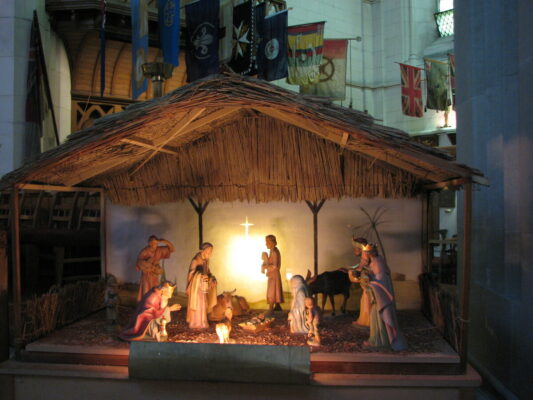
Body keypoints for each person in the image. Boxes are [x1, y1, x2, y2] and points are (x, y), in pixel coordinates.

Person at [361, 243, 407, 351]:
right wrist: (368, 274)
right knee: (375, 316)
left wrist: (369, 282)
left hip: (380, 298)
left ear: (370, 253)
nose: (365, 255)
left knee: (377, 317)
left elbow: (380, 282)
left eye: (366, 253)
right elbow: (376, 275)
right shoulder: (378, 260)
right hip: (378, 296)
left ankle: (378, 341)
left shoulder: (378, 262)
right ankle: (378, 339)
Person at [186, 242, 218, 329]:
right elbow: (191, 274)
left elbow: (208, 272)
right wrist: (200, 277)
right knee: (198, 304)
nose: (210, 254)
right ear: (203, 251)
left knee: (203, 303)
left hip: (203, 286)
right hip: (195, 287)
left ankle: (203, 321)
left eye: (211, 252)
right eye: (209, 252)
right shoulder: (195, 260)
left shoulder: (206, 260)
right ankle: (195, 323)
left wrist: (212, 279)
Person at [136, 236, 175, 302]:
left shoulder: (159, 250)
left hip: (155, 275)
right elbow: (139, 262)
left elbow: (172, 249)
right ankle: (145, 304)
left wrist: (164, 241)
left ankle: (154, 303)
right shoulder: (145, 251)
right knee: (146, 290)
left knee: (155, 290)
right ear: (149, 243)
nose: (154, 245)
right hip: (146, 275)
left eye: (156, 243)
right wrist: (149, 266)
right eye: (153, 243)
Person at [348, 237, 371, 327]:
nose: (354, 250)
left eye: (356, 248)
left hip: (369, 287)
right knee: (364, 302)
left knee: (367, 303)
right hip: (366, 287)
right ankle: (365, 321)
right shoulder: (364, 257)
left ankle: (368, 322)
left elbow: (364, 269)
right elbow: (360, 266)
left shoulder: (366, 257)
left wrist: (356, 272)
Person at [261, 234, 284, 313]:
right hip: (273, 274)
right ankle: (277, 306)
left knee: (272, 291)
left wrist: (265, 267)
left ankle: (271, 308)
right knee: (275, 290)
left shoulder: (274, 252)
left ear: (271, 242)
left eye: (267, 242)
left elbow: (275, 266)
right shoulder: (272, 251)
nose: (266, 244)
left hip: (274, 274)